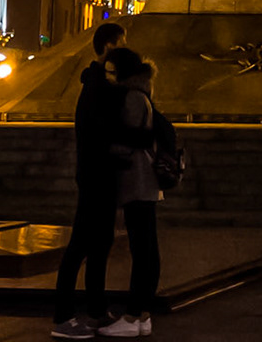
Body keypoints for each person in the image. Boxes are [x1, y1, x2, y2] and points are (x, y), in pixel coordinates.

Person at [52, 22, 126, 340]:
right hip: (96, 175)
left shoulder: (102, 85)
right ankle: (63, 317)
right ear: (109, 47)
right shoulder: (97, 87)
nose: (124, 48)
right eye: (122, 43)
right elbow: (99, 133)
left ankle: (96, 310)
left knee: (101, 244)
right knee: (80, 245)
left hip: (103, 175)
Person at [99, 47, 161, 337]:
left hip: (137, 180)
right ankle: (143, 316)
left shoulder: (133, 98)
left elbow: (132, 140)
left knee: (142, 249)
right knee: (147, 248)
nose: (109, 76)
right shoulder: (143, 95)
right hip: (145, 181)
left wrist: (109, 148)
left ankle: (134, 314)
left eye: (112, 71)